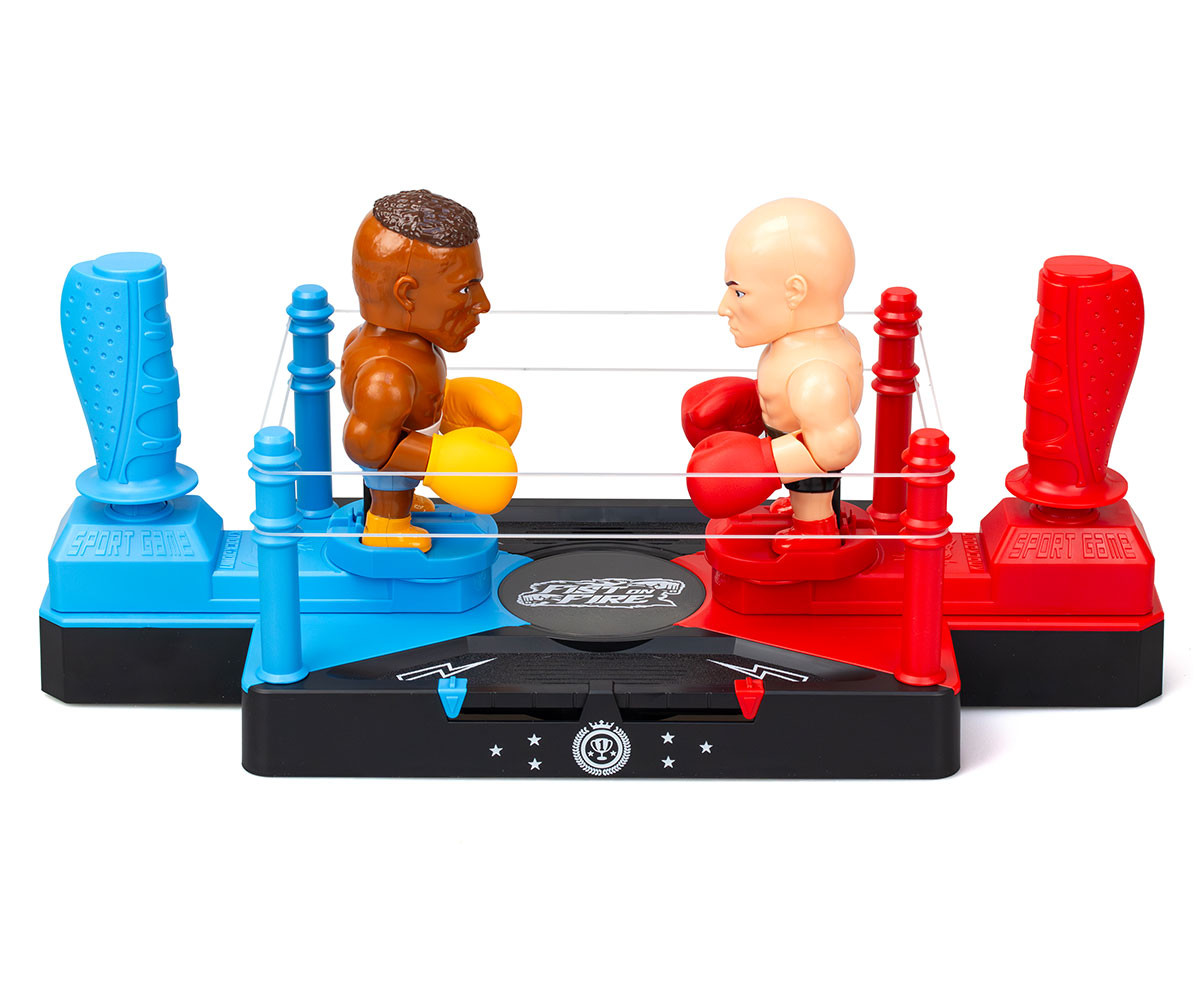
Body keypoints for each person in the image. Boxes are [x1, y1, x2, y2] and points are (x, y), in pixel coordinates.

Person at [341, 190, 521, 550]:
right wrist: (436, 461)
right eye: (465, 289)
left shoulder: (412, 344)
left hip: (410, 430)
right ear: (407, 295)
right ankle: (386, 525)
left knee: (500, 411)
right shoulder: (386, 375)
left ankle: (402, 505)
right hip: (390, 470)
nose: (482, 303)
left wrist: (448, 402)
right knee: (392, 488)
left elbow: (412, 399)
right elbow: (366, 446)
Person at [682, 198, 863, 553]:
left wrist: (764, 463)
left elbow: (837, 446)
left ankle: (815, 529)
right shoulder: (798, 347)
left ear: (794, 292)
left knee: (812, 492)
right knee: (801, 487)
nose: (724, 307)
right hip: (790, 433)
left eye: (739, 291)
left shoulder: (815, 374)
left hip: (807, 456)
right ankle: (801, 508)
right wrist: (753, 400)